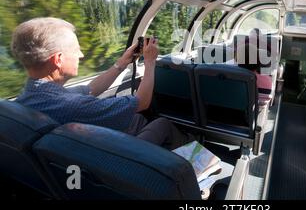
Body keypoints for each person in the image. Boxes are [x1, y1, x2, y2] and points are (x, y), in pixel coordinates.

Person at [11, 17, 192, 150]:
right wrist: (151, 62)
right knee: (162, 124)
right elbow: (142, 102)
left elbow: (90, 89)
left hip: (83, 155)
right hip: (114, 157)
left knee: (137, 120)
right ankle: (199, 167)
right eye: (75, 49)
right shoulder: (72, 106)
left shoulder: (29, 98)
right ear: (58, 59)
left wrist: (120, 63)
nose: (81, 55)